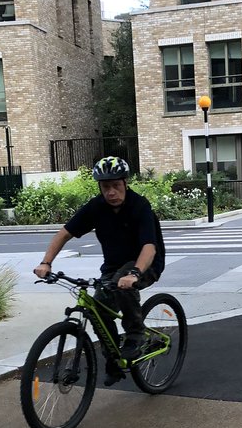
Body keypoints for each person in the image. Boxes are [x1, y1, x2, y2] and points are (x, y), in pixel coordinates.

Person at [33, 156, 166, 383]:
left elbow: (149, 247)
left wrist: (134, 273)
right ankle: (113, 360)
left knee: (122, 285)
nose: (111, 192)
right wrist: (46, 262)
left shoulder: (139, 206)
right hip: (113, 268)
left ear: (125, 183)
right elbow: (64, 234)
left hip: (145, 264)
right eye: (106, 187)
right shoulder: (97, 207)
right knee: (99, 312)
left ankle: (136, 335)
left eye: (116, 185)